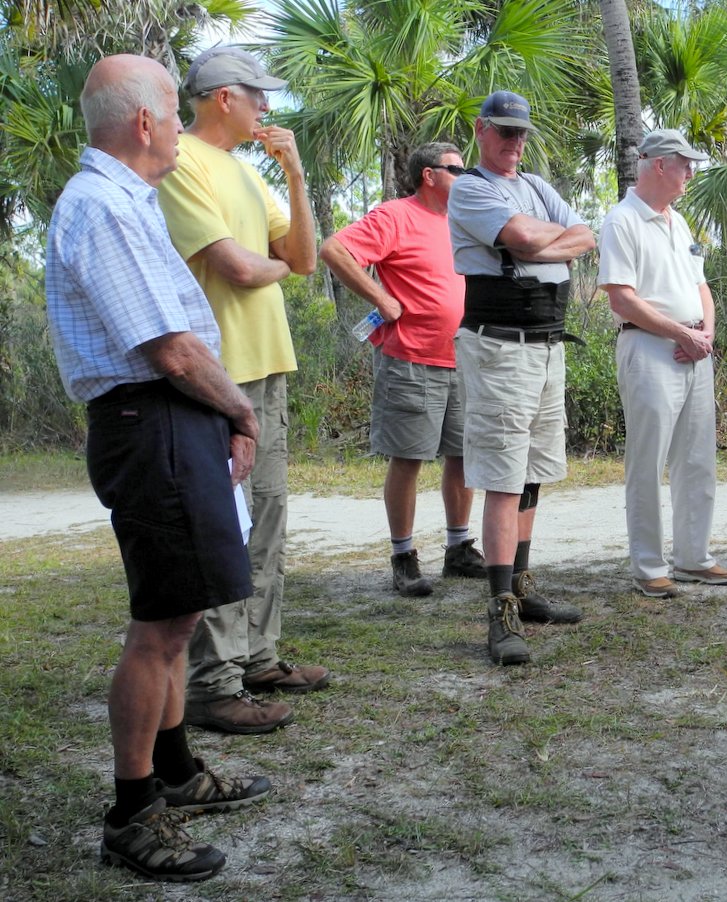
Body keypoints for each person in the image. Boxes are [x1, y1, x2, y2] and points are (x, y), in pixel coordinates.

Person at [45, 54, 272, 881]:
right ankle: (131, 812)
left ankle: (175, 772)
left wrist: (217, 416)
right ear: (145, 123)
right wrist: (238, 409)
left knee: (177, 616)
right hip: (151, 422)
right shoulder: (102, 206)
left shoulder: (121, 202)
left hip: (169, 420)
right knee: (159, 626)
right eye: (176, 114)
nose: (181, 128)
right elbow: (170, 347)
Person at [157, 46, 328, 734]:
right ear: (222, 96)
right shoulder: (180, 164)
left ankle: (259, 656)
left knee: (269, 518)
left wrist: (292, 173)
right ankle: (214, 682)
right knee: (224, 527)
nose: (267, 105)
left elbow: (304, 259)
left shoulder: (250, 173)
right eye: (256, 93)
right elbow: (237, 269)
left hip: (268, 367)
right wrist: (273, 264)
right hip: (217, 375)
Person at [447, 90, 593, 665]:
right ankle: (499, 609)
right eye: (505, 132)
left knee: (532, 470)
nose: (515, 143)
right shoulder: (470, 187)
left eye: (522, 133)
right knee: (504, 476)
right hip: (500, 348)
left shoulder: (534, 187)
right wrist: (546, 241)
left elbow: (586, 235)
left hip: (548, 345)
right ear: (481, 131)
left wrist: (546, 239)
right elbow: (534, 241)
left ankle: (523, 589)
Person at [319, 143, 486, 595]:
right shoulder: (395, 216)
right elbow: (334, 249)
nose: (465, 175)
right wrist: (380, 298)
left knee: (463, 456)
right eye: (457, 169)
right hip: (411, 359)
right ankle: (403, 556)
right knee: (409, 458)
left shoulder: (464, 220)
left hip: (464, 359)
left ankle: (458, 549)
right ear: (429, 175)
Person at [598, 129, 727, 598]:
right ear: (659, 164)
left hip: (693, 348)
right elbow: (622, 299)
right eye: (685, 164)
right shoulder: (621, 221)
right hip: (649, 349)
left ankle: (694, 557)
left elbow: (701, 287)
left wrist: (705, 334)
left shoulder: (677, 222)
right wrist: (682, 333)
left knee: (697, 458)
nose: (691, 173)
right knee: (648, 459)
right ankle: (648, 566)